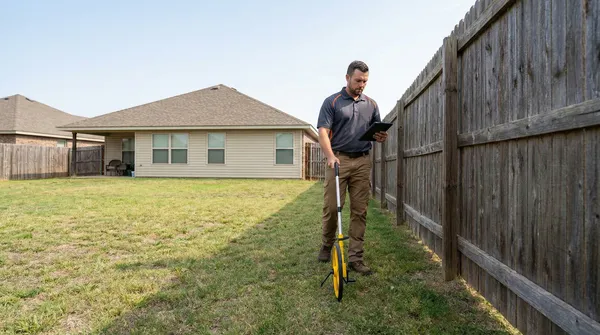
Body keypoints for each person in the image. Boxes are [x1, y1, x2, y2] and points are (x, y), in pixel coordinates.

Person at [316, 60, 388, 276]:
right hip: (338, 160)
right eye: (358, 80)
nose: (362, 84)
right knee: (331, 208)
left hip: (363, 162)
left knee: (360, 211)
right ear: (347, 78)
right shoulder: (332, 102)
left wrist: (381, 136)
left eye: (365, 81)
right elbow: (322, 132)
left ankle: (356, 258)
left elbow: (377, 131)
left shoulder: (372, 104)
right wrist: (330, 156)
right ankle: (327, 246)